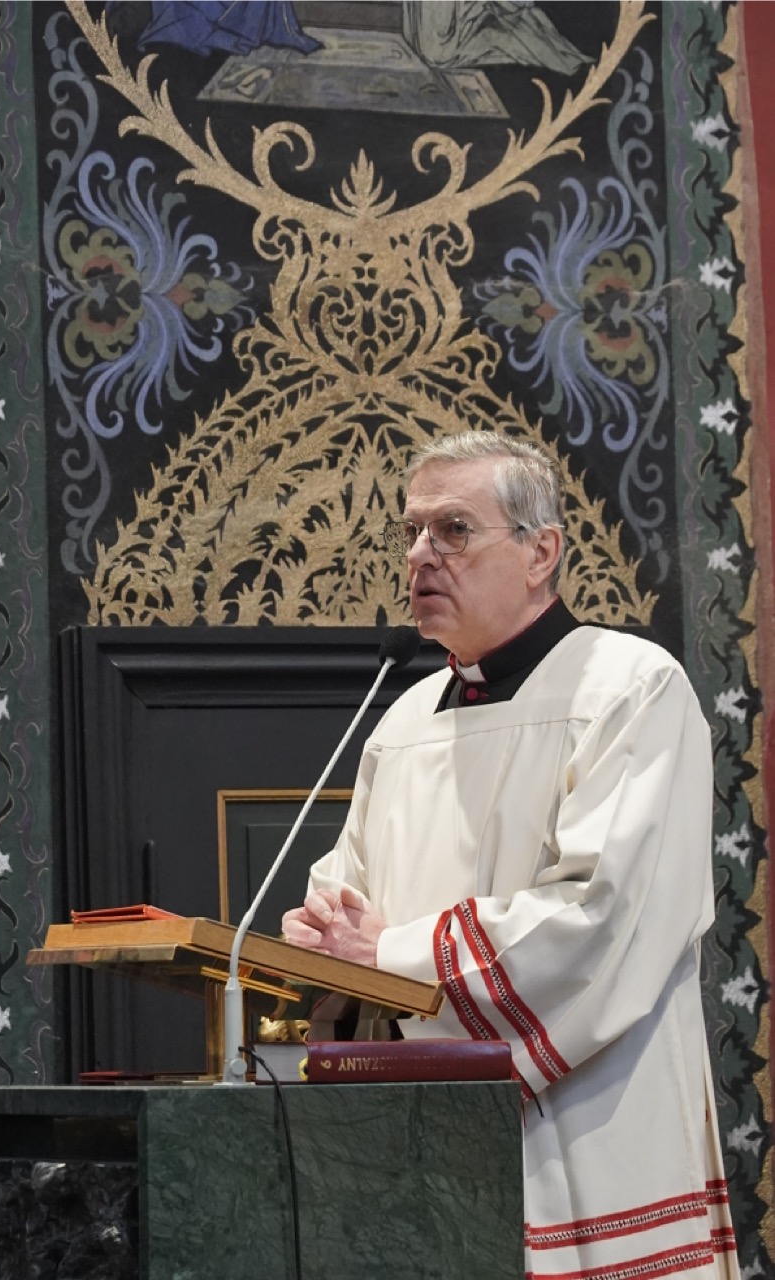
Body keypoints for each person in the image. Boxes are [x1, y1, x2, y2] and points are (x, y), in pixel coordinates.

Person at [282, 430, 739, 1280]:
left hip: (587, 1123)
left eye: (453, 529)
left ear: (540, 552)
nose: (421, 554)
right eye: (412, 531)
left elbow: (599, 917)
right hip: (422, 1138)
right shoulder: (404, 717)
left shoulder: (628, 686)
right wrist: (319, 938)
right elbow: (348, 900)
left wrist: (386, 954)